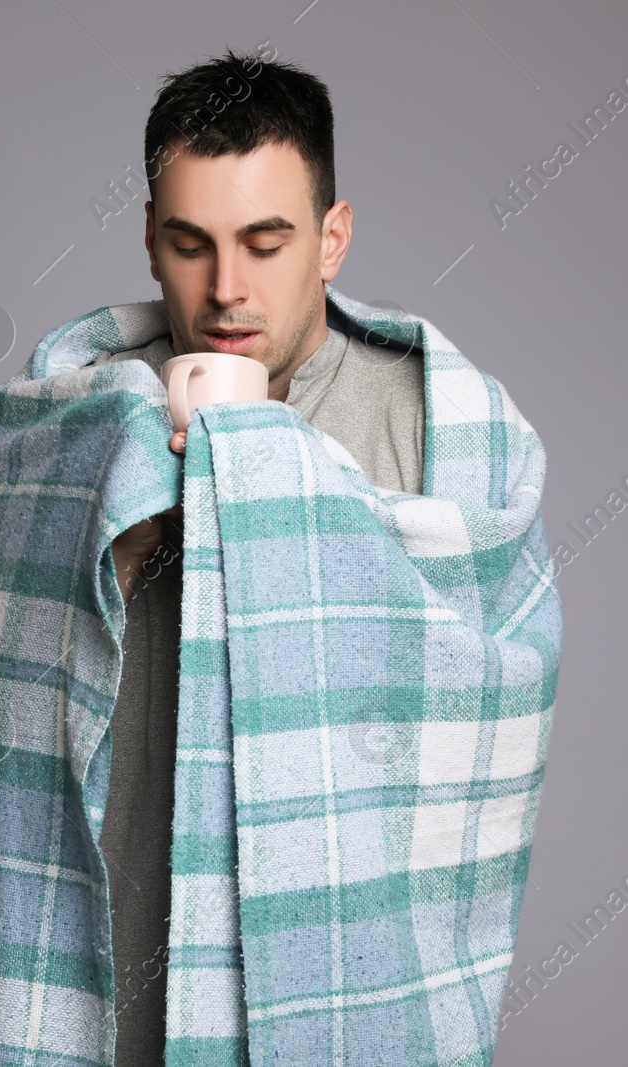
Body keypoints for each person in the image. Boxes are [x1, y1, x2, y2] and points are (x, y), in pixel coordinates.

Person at [87, 46, 428, 1065]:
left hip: (344, 976)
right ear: (150, 239)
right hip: (114, 980)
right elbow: (3, 684)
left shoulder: (428, 420)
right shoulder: (91, 413)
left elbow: (482, 691)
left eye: (266, 243)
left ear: (332, 239)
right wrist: (113, 546)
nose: (226, 289)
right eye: (191, 243)